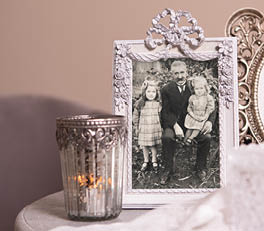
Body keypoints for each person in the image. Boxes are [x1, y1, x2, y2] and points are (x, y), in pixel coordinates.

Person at [160, 60, 216, 183]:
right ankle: (167, 169)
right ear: (171, 74)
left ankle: (200, 168)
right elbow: (165, 112)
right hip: (174, 123)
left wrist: (209, 122)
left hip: (195, 122)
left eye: (182, 72)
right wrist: (174, 125)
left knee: (206, 137)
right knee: (167, 137)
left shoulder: (196, 87)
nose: (180, 76)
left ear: (187, 72)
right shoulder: (166, 89)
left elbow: (210, 106)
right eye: (176, 73)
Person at [133, 75, 162, 172]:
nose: (151, 94)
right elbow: (136, 116)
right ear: (144, 92)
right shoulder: (140, 103)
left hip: (154, 128)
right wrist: (136, 126)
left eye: (153, 92)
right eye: (148, 91)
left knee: (153, 145)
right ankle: (146, 160)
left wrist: (161, 126)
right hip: (144, 128)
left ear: (156, 93)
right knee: (145, 145)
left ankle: (154, 159)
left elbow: (161, 116)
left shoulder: (158, 104)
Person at [184, 77, 215, 145]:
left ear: (205, 88)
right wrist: (192, 114)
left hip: (202, 116)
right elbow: (189, 107)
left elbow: (210, 108)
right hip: (193, 116)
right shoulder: (192, 97)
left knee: (197, 127)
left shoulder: (208, 97)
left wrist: (205, 116)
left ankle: (191, 138)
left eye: (201, 88)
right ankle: (185, 140)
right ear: (194, 89)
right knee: (189, 128)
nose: (199, 90)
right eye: (197, 89)